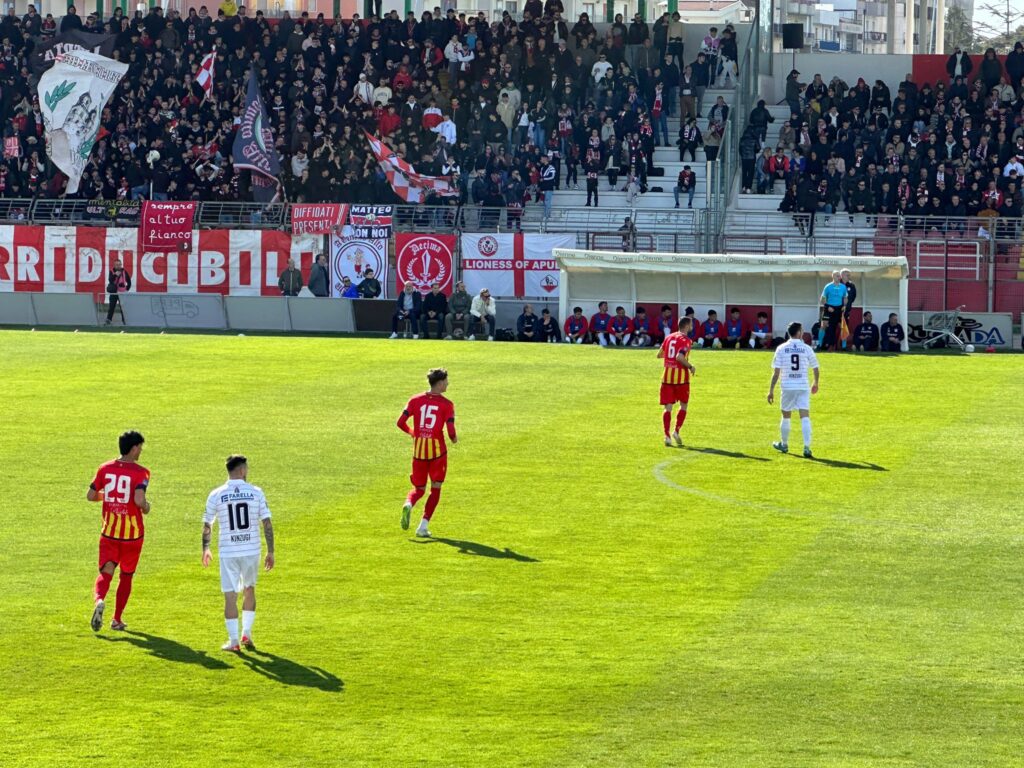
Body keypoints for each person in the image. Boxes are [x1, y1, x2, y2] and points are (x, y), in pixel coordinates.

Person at [202, 455, 274, 652]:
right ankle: (246, 633)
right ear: (242, 470)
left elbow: (207, 524)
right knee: (249, 589)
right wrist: (271, 551)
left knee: (230, 596)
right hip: (251, 550)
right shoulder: (256, 492)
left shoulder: (216, 494)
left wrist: (205, 548)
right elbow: (266, 522)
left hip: (229, 552)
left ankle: (233, 641)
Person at [87, 430, 151, 632]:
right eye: (140, 447)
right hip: (132, 536)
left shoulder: (105, 468)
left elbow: (91, 495)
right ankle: (116, 619)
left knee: (106, 572)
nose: (141, 451)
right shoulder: (142, 472)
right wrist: (147, 507)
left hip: (109, 532)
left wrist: (108, 497)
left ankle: (99, 600)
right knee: (126, 576)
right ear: (133, 449)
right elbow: (139, 500)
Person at [397, 368, 457, 538]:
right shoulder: (447, 404)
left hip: (419, 453)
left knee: (419, 489)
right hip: (438, 454)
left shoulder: (415, 400)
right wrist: (454, 439)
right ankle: (423, 526)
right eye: (446, 381)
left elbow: (400, 422)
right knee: (435, 488)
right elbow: (451, 431)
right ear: (439, 384)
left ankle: (408, 503)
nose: (448, 383)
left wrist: (412, 432)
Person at [768, 322, 820, 458]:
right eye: (802, 330)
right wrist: (815, 382)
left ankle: (784, 444)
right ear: (798, 333)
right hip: (802, 386)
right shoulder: (806, 348)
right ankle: (807, 448)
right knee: (805, 416)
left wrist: (771, 390)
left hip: (787, 386)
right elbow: (815, 367)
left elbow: (776, 372)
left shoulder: (781, 348)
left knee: (786, 416)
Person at [657, 316, 696, 447]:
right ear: (686, 326)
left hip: (667, 377)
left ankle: (667, 436)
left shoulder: (669, 337)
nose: (692, 326)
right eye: (691, 324)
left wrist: (669, 357)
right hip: (681, 379)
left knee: (668, 407)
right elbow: (679, 357)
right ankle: (676, 431)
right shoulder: (686, 340)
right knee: (683, 405)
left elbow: (659, 354)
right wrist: (690, 366)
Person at [818, 270, 848, 350]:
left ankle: (844, 346)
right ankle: (819, 345)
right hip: (829, 308)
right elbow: (822, 299)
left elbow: (845, 297)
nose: (839, 277)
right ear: (833, 277)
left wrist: (844, 306)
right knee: (823, 325)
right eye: (837, 276)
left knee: (842, 327)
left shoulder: (843, 287)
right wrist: (827, 307)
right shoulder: (828, 286)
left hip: (839, 308)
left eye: (839, 276)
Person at [104, 257, 131, 326]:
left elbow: (129, 281)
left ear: (121, 265)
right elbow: (110, 280)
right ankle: (108, 320)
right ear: (114, 265)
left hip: (122, 292)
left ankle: (124, 321)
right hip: (114, 292)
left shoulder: (124, 271)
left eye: (119, 264)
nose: (118, 266)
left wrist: (126, 289)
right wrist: (115, 274)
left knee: (123, 308)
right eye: (117, 265)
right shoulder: (112, 271)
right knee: (111, 307)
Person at [839, 268, 857, 349]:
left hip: (846, 311)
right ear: (842, 275)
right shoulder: (837, 284)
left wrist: (848, 305)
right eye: (847, 275)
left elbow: (853, 297)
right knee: (832, 327)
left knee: (844, 328)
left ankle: (843, 346)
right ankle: (829, 345)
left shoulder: (852, 285)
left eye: (849, 275)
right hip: (836, 310)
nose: (849, 276)